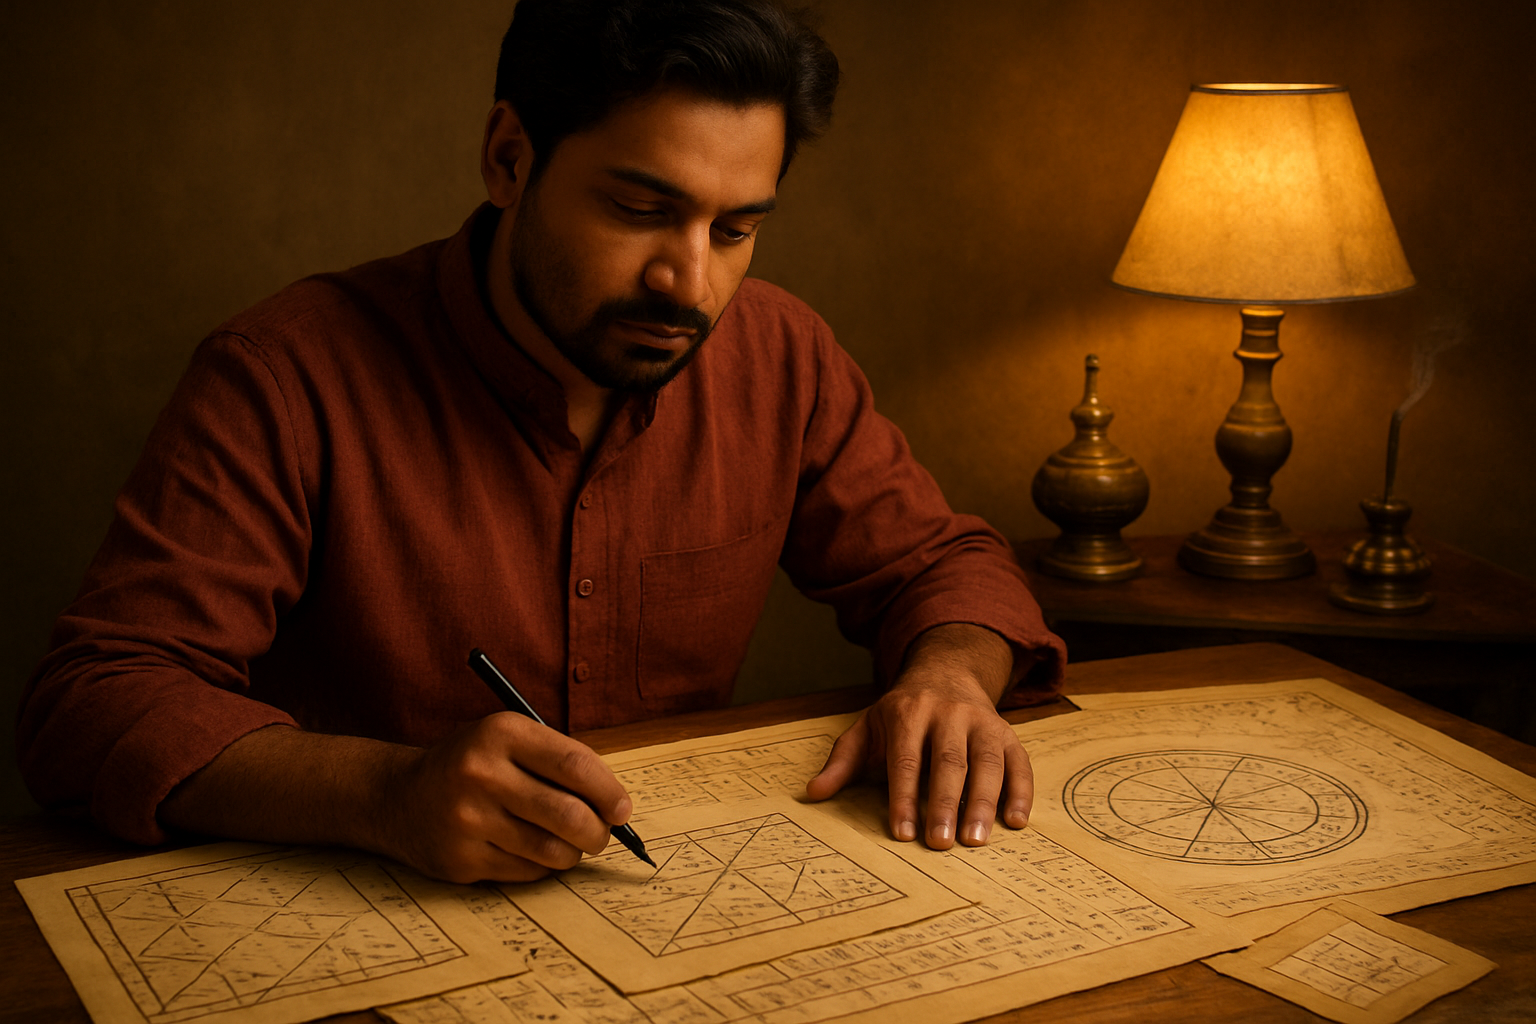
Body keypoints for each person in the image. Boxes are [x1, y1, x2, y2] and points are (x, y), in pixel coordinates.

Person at [18, 0, 1064, 885]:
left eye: (735, 229)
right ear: (509, 158)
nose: (689, 283)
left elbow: (944, 566)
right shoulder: (285, 374)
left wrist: (950, 675)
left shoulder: (780, 355)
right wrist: (383, 792)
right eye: (641, 209)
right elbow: (97, 698)